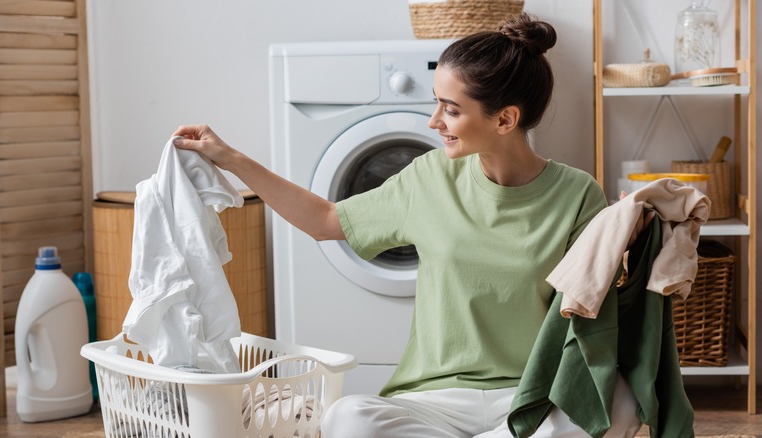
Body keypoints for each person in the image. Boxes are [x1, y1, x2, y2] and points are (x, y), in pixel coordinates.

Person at [173, 13, 651, 438]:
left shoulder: (576, 193)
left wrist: (628, 238)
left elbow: (594, 303)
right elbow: (325, 220)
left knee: (622, 401)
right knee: (348, 418)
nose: (432, 121)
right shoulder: (430, 176)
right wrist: (230, 158)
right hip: (434, 402)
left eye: (451, 109)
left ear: (505, 119)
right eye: (437, 103)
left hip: (532, 395)